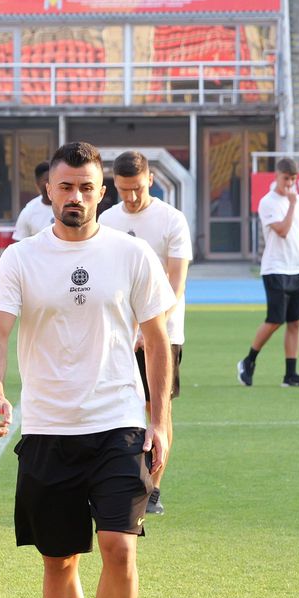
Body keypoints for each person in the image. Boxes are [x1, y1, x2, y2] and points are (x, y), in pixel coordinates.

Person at [0, 141, 175, 598]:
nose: (76, 197)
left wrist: (159, 417)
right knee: (59, 559)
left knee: (119, 546)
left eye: (87, 187)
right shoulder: (20, 258)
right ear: (48, 190)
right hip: (47, 428)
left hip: (117, 424)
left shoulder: (132, 253)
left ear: (102, 191)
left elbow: (158, 340)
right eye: (66, 187)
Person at [99, 150, 192, 515]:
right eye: (123, 190)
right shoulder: (106, 219)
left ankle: (152, 489)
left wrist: (148, 326)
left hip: (163, 333)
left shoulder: (172, 220)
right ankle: (113, 480)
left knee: (157, 409)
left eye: (136, 188)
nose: (131, 197)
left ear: (150, 179)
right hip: (116, 333)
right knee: (116, 406)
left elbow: (176, 281)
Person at [237, 157, 299, 387]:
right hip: (275, 269)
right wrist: (290, 204)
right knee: (275, 320)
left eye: (293, 179)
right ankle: (248, 361)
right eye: (286, 178)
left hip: (298, 269)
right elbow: (281, 230)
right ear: (277, 177)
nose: (289, 183)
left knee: (295, 322)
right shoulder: (267, 202)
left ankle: (290, 374)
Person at [12, 161, 54, 241]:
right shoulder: (29, 211)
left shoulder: (68, 206)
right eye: (47, 180)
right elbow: (19, 244)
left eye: (54, 179)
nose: (51, 184)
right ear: (37, 184)